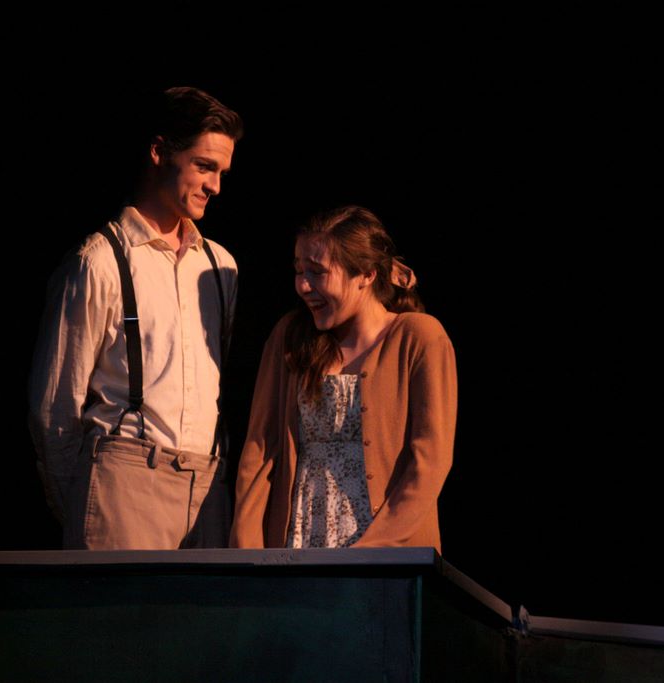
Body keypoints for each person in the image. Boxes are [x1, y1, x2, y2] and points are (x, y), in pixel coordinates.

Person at [29, 87, 243, 549]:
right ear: (159, 152)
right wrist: (82, 505)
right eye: (204, 166)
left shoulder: (219, 267)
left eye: (222, 172)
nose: (216, 186)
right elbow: (55, 407)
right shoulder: (100, 261)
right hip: (124, 486)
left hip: (207, 489)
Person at [230, 206, 457, 550]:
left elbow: (429, 460)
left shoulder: (418, 336)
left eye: (318, 272)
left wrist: (372, 551)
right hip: (299, 542)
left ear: (365, 274)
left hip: (388, 548)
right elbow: (259, 450)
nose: (303, 285)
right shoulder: (291, 336)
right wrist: (247, 550)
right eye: (299, 271)